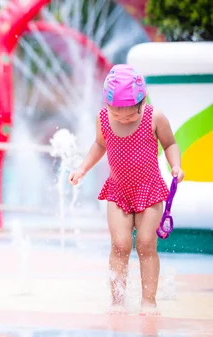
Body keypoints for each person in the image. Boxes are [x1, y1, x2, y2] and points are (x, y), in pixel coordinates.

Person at [68, 64, 184, 315]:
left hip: (149, 191)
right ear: (107, 105)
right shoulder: (103, 119)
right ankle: (118, 300)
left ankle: (148, 301)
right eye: (116, 114)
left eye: (129, 115)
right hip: (117, 191)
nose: (122, 119)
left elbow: (170, 143)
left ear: (142, 103)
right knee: (120, 244)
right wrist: (82, 169)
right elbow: (99, 146)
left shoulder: (154, 118)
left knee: (145, 244)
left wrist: (176, 166)